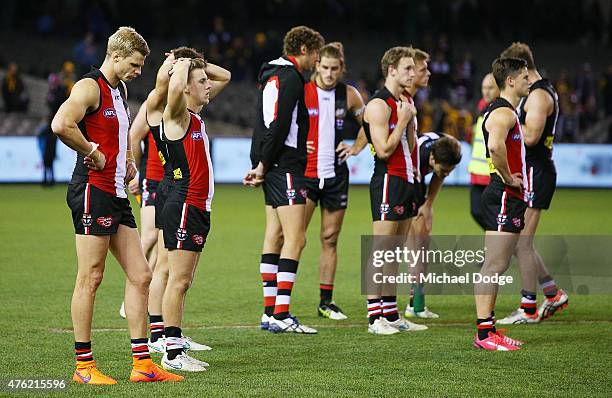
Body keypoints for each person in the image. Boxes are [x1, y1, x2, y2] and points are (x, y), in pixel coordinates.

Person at [51, 26, 183, 384]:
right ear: (116, 56)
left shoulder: (119, 90)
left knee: (141, 276)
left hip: (116, 192)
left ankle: (142, 365)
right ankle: (84, 367)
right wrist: (92, 151)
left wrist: (127, 162)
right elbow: (61, 123)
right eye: (136, 64)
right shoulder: (89, 86)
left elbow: (118, 134)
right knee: (91, 277)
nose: (139, 71)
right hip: (92, 190)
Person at [139, 48, 229, 356]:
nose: (209, 85)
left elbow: (224, 76)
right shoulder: (174, 114)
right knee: (178, 280)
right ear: (185, 86)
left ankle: (168, 337)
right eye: (202, 81)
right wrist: (183, 63)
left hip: (191, 203)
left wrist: (193, 65)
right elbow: (174, 87)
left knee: (174, 276)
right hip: (185, 202)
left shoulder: (193, 114)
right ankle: (172, 350)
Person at [245, 26, 324, 334]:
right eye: (316, 52)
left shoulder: (272, 75)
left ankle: (269, 312)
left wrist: (262, 160)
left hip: (276, 160)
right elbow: (277, 124)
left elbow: (269, 122)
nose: (317, 60)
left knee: (275, 234)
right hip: (283, 165)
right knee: (297, 238)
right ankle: (281, 312)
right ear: (303, 49)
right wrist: (265, 164)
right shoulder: (291, 77)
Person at [497, 43, 568, 325]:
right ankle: (551, 293)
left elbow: (530, 138)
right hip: (534, 171)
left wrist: (506, 122)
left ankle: (528, 309)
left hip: (536, 170)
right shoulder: (539, 92)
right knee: (521, 241)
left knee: (522, 243)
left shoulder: (538, 95)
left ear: (523, 69)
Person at [362, 46, 427, 335]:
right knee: (381, 251)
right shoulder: (379, 105)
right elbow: (385, 149)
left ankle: (391, 312)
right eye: (408, 69)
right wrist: (402, 120)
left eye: (414, 69)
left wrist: (410, 122)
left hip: (408, 181)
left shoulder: (406, 100)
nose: (413, 74)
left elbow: (410, 146)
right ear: (391, 70)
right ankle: (374, 317)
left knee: (395, 252)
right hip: (388, 179)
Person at [302, 42, 366, 320]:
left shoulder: (349, 95)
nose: (329, 74)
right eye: (324, 68)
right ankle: (278, 305)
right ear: (317, 65)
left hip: (336, 175)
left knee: (330, 238)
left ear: (342, 69)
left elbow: (370, 123)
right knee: (293, 238)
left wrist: (356, 147)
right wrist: (294, 146)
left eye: (334, 69)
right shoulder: (302, 91)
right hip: (305, 174)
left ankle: (325, 302)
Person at [473, 57, 530, 351]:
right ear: (510, 80)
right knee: (493, 265)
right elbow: (494, 146)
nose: (529, 81)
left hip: (509, 196)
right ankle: (484, 334)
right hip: (504, 194)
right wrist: (509, 178)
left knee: (497, 263)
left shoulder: (508, 112)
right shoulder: (503, 113)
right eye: (524, 77)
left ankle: (488, 330)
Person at [469, 73, 498, 230]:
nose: (486, 92)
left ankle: (501, 243)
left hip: (491, 174)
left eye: (490, 88)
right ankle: (501, 241)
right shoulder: (482, 109)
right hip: (477, 173)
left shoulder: (499, 111)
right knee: (476, 212)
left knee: (489, 214)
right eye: (483, 88)